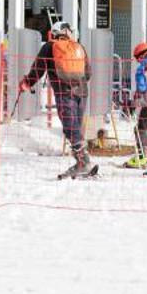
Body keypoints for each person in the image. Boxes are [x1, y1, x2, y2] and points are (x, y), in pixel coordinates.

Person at [21, 21, 96, 178]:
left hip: (64, 92)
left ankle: (83, 162)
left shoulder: (49, 47)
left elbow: (38, 68)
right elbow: (88, 73)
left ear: (54, 33)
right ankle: (82, 161)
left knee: (70, 128)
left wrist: (27, 82)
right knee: (75, 127)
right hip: (82, 92)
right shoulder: (79, 47)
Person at [122, 41, 147, 169]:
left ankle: (142, 155)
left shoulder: (142, 67)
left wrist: (136, 100)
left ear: (141, 56)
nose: (138, 61)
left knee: (140, 128)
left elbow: (142, 87)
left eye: (138, 59)